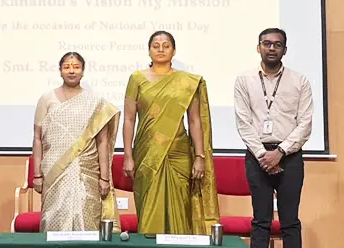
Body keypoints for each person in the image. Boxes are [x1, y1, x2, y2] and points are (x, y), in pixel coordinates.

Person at [122, 31, 219, 234]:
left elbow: (194, 120)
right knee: (149, 208)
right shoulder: (136, 78)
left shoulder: (186, 81)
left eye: (166, 46)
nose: (161, 49)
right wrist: (128, 156)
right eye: (156, 46)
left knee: (180, 208)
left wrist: (199, 156)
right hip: (147, 152)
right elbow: (129, 119)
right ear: (149, 50)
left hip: (178, 153)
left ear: (173, 51)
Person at [234, 28, 313, 248]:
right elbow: (243, 122)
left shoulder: (299, 81)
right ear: (258, 47)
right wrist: (263, 155)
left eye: (277, 45)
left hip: (290, 157)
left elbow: (305, 123)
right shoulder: (244, 80)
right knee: (261, 221)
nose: (271, 48)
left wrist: (280, 152)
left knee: (290, 222)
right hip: (257, 157)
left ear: (284, 50)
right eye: (267, 43)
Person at [32, 52, 121, 232]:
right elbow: (37, 138)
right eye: (66, 67)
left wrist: (104, 178)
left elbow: (102, 142)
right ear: (60, 71)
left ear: (83, 71)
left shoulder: (95, 103)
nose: (71, 71)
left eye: (76, 67)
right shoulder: (46, 99)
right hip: (54, 170)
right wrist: (37, 175)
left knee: (87, 221)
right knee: (53, 221)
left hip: (86, 171)